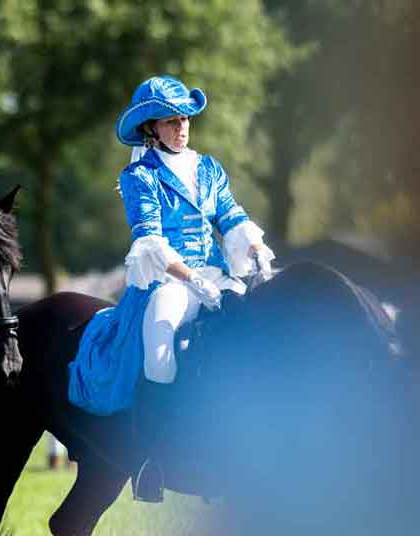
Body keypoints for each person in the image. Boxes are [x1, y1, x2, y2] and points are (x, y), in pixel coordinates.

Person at [67, 75, 276, 502]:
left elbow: (231, 217)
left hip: (217, 274)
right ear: (151, 128)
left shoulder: (209, 167)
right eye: (170, 121)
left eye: (184, 119)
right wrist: (192, 279)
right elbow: (151, 242)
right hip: (171, 280)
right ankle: (150, 457)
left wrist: (257, 250)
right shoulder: (139, 177)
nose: (181, 127)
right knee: (160, 347)